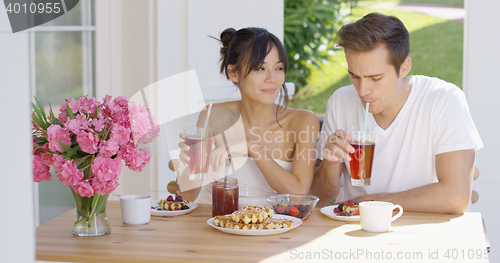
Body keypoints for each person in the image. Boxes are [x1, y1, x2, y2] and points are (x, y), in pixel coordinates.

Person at [310, 13, 483, 213]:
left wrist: (371, 202)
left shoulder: (443, 99)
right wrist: (331, 164)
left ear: (404, 68)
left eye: (375, 78)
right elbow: (320, 199)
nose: (362, 90)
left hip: (424, 232)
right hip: (357, 233)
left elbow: (456, 198)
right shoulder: (340, 102)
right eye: (354, 76)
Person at [178, 27, 319, 203]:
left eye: (279, 68)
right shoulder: (212, 115)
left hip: (272, 227)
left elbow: (298, 196)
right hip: (213, 223)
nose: (272, 79)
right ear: (233, 73)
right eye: (260, 68)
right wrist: (190, 168)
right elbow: (186, 197)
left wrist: (252, 148)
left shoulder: (302, 122)